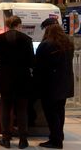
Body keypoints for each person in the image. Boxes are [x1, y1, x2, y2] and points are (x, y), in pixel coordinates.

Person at [0, 16, 34, 149]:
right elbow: (32, 61)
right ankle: (23, 140)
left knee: (5, 108)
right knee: (22, 110)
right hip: (22, 79)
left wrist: (0, 66)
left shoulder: (1, 39)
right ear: (19, 25)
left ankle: (6, 139)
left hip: (5, 78)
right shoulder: (26, 39)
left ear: (8, 25)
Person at [35, 19, 74, 149]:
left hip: (50, 85)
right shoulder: (68, 43)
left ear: (47, 29)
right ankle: (58, 136)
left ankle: (56, 141)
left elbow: (38, 66)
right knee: (59, 111)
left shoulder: (46, 44)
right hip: (65, 84)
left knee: (51, 113)